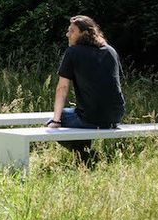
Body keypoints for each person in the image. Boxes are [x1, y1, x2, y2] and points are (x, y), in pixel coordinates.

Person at [47, 15, 126, 164]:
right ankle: (86, 157)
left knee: (57, 119)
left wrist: (56, 120)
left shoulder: (73, 52)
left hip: (91, 117)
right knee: (77, 112)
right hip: (116, 116)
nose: (67, 34)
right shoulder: (111, 51)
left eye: (72, 31)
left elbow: (62, 88)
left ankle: (85, 156)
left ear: (84, 34)